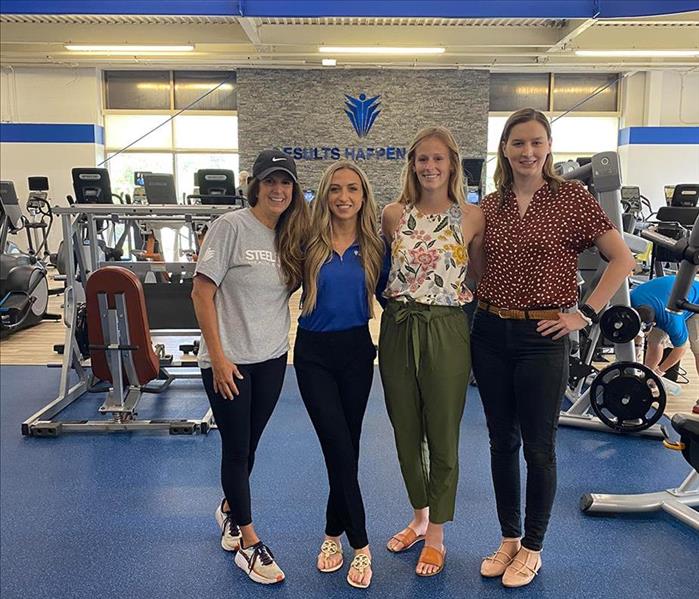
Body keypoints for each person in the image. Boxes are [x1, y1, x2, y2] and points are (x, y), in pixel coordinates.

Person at [470, 108, 635, 588]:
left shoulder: (573, 199)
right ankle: (508, 538)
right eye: (518, 143)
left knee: (539, 448)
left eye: (536, 143)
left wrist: (584, 314)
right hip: (491, 331)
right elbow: (478, 269)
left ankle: (533, 547)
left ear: (548, 148)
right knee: (501, 442)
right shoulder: (492, 206)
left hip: (544, 336)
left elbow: (622, 257)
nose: (528, 152)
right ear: (504, 148)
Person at [191, 149, 308, 585]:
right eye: (270, 181)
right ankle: (248, 540)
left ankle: (228, 509)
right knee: (237, 449)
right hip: (230, 361)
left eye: (286, 183)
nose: (278, 190)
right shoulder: (230, 227)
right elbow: (201, 294)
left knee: (251, 445)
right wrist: (218, 358)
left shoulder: (291, 234)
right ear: (255, 185)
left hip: (274, 358)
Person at [379, 126, 485, 577]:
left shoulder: (472, 217)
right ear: (412, 164)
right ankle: (418, 517)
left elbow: (476, 278)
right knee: (405, 431)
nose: (430, 167)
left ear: (452, 164)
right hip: (398, 326)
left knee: (442, 434)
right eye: (422, 159)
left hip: (446, 327)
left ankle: (437, 532)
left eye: (438, 159)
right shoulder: (392, 215)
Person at [293, 161, 385, 589]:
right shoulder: (306, 242)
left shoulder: (374, 246)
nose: (344, 197)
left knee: (347, 448)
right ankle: (362, 545)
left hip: (356, 352)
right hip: (313, 355)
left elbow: (399, 294)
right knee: (337, 446)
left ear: (363, 196)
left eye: (352, 189)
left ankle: (332, 535)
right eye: (335, 189)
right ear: (325, 195)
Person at [631, 275, 699, 412]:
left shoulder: (670, 318)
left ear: (654, 321)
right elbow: (637, 336)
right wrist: (639, 369)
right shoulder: (630, 300)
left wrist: (659, 371)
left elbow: (681, 348)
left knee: (697, 349)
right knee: (654, 341)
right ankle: (647, 380)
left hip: (695, 301)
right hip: (663, 296)